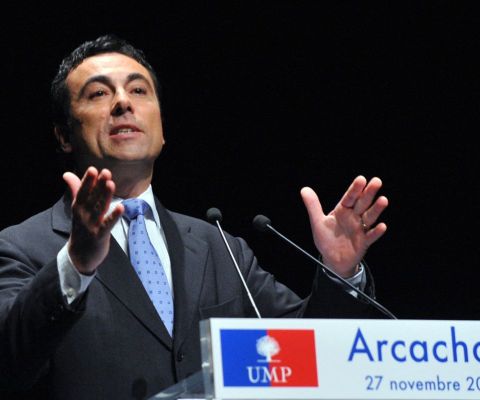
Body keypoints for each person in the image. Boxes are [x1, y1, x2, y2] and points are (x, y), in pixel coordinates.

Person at [0, 34, 389, 399]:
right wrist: (77, 265)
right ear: (63, 135)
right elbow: (9, 361)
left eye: (139, 90)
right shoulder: (21, 247)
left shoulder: (219, 248)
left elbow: (308, 351)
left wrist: (338, 272)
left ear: (162, 128)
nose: (123, 103)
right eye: (99, 93)